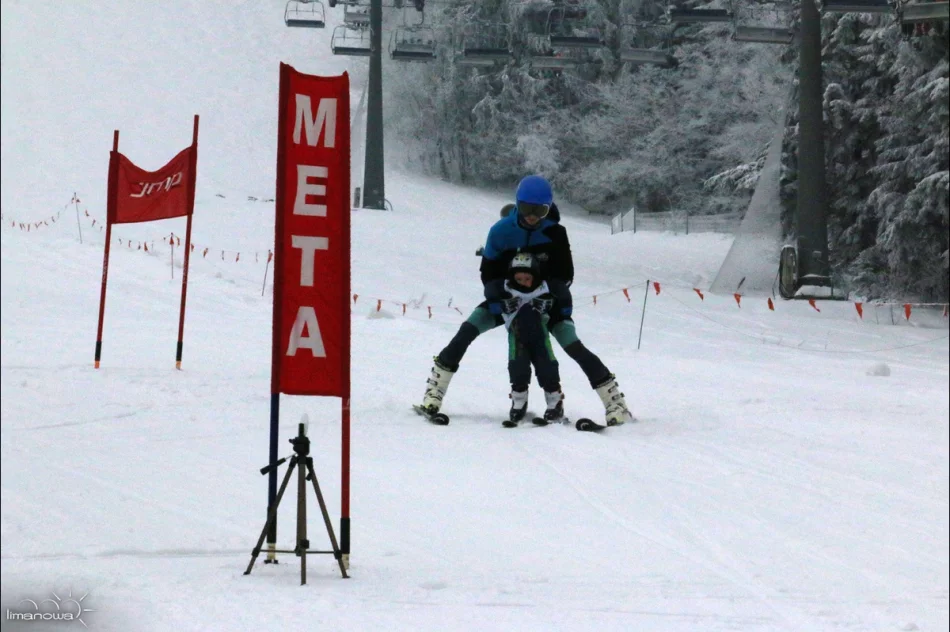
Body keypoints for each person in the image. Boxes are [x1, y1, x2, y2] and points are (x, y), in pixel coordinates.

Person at [420, 175, 634, 426]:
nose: (532, 216)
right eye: (526, 209)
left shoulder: (555, 233)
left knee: (573, 346)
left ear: (548, 208)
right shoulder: (500, 231)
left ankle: (615, 403)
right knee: (466, 332)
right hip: (508, 300)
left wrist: (549, 299)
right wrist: (499, 299)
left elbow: (565, 275)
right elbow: (488, 274)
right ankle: (434, 392)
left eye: (539, 211)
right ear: (517, 204)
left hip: (544, 303)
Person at [501, 253, 563, 422]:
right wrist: (499, 302)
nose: (523, 283)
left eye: (527, 279)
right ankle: (519, 400)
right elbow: (491, 292)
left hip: (539, 335)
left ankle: (554, 402)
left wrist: (552, 302)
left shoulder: (543, 288)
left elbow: (561, 294)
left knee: (546, 365)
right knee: (517, 365)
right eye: (519, 279)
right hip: (517, 335)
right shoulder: (507, 289)